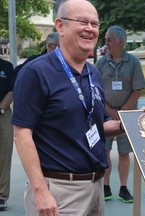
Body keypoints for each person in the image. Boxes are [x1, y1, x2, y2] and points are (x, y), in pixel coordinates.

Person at [12, 0, 125, 215]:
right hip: (58, 192)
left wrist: (131, 125)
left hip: (95, 187)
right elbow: (22, 135)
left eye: (95, 24)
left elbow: (98, 125)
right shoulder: (36, 72)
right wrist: (41, 191)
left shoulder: (93, 74)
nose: (90, 29)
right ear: (60, 26)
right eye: (82, 21)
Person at [95, 25, 145, 203]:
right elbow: (95, 89)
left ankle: (124, 189)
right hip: (105, 115)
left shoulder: (133, 62)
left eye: (109, 39)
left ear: (121, 41)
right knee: (105, 150)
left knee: (124, 153)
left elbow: (138, 90)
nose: (106, 43)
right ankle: (106, 187)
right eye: (106, 39)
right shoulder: (101, 62)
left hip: (127, 116)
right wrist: (110, 111)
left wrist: (123, 111)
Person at [0, 58, 15, 211]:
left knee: (4, 155)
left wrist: (1, 108)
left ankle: (2, 196)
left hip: (3, 113)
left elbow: (12, 91)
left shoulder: (7, 67)